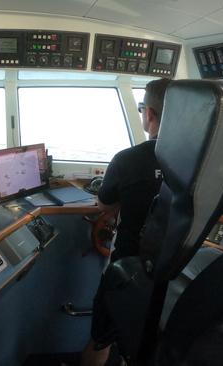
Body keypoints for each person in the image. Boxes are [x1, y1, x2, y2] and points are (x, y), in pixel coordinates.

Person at [81, 78, 171, 366]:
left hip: (127, 270)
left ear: (150, 114)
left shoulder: (128, 160)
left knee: (102, 338)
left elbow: (104, 205)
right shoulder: (200, 162)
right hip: (176, 274)